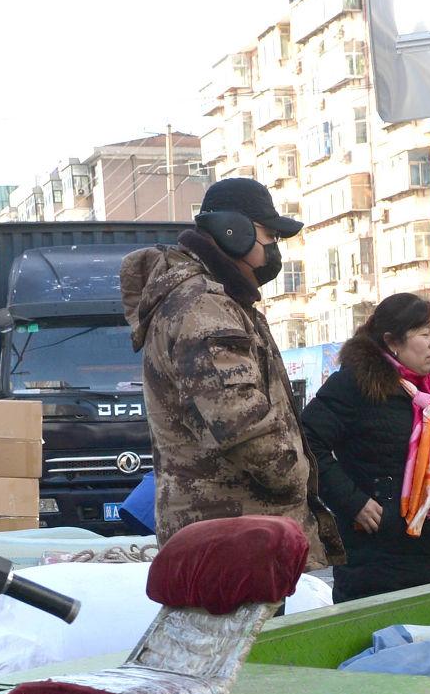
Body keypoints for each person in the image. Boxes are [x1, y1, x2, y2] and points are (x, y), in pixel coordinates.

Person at [120, 176, 335, 563]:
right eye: (269, 235)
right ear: (232, 232)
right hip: (234, 542)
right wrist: (297, 477)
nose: (274, 248)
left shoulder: (221, 302)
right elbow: (245, 427)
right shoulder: (203, 308)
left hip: (236, 536)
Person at [301, 293, 430, 601]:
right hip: (377, 553)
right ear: (392, 341)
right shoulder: (356, 384)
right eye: (424, 334)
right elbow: (306, 442)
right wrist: (352, 502)